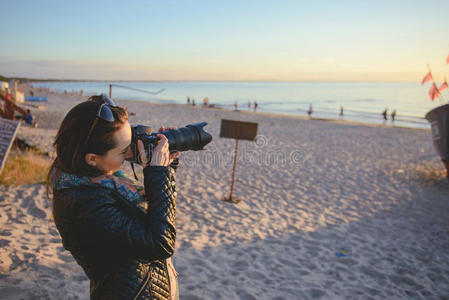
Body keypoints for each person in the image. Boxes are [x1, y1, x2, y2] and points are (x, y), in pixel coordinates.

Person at [47, 94, 180, 299]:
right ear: (92, 159)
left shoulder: (101, 179)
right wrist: (159, 174)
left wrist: (166, 165)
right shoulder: (86, 203)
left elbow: (153, 215)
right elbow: (160, 242)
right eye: (123, 151)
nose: (130, 155)